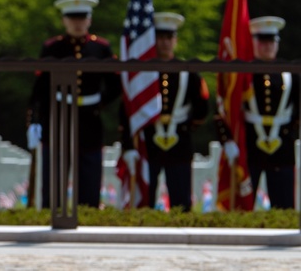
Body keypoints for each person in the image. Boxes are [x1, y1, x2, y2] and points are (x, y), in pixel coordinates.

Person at [27, 0, 122, 209]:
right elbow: (40, 86)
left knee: (89, 175)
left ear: (89, 20)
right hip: (58, 116)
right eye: (73, 18)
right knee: (54, 177)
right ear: (64, 20)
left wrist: (99, 104)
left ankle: (88, 218)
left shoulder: (101, 48)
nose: (77, 23)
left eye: (82, 18)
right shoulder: (52, 48)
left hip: (89, 119)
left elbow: (115, 85)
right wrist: (35, 119)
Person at [119, 12, 209, 212]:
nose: (165, 43)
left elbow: (202, 108)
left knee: (181, 201)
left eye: (169, 38)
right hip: (148, 144)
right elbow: (127, 111)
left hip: (179, 142)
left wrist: (185, 126)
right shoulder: (142, 73)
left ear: (176, 40)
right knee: (145, 201)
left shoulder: (189, 72)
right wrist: (128, 146)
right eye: (160, 38)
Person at [219, 16, 299, 210]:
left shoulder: (291, 74)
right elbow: (225, 107)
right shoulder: (243, 74)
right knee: (243, 209)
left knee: (284, 206)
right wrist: (227, 139)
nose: (267, 46)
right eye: (262, 42)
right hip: (250, 149)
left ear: (277, 44)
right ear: (254, 43)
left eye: (271, 41)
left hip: (283, 148)